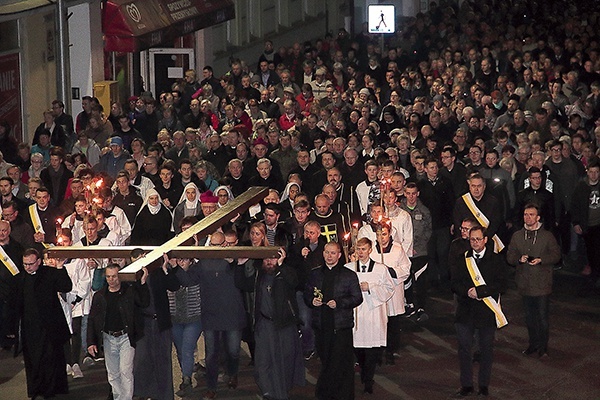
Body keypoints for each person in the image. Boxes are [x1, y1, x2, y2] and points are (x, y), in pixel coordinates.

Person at [236, 248, 305, 399]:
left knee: (283, 362)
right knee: (263, 361)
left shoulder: (285, 272)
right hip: (264, 324)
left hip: (284, 325)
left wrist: (281, 265)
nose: (269, 261)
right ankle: (267, 391)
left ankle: (282, 392)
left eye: (273, 258)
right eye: (266, 259)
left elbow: (294, 281)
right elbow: (242, 285)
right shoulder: (259, 275)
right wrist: (240, 265)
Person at [451, 226, 507, 397]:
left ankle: (484, 385)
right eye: (472, 239)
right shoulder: (462, 259)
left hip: (486, 312)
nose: (474, 242)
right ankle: (466, 385)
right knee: (464, 349)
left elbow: (502, 285)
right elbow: (454, 282)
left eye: (477, 239)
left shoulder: (496, 260)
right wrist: (467, 291)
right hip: (465, 311)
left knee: (486, 350)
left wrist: (481, 292)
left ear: (485, 240)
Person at [305, 242, 363, 400]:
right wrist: (312, 301)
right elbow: (307, 294)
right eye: (327, 252)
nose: (329, 256)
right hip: (321, 325)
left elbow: (357, 298)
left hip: (341, 326)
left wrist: (339, 303)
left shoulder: (348, 275)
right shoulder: (315, 274)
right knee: (326, 361)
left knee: (340, 363)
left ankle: (338, 394)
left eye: (333, 253)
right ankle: (327, 393)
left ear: (339, 255)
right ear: (323, 253)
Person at [14, 248, 73, 399]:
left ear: (39, 262)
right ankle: (35, 390)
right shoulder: (20, 279)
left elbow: (66, 286)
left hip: (49, 328)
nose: (28, 267)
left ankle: (51, 390)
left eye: (31, 264)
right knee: (33, 361)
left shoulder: (49, 273)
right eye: (25, 264)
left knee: (50, 360)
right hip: (30, 328)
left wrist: (60, 268)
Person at [87, 263, 149, 400]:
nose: (111, 280)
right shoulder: (100, 295)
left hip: (126, 337)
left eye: (114, 276)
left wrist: (143, 283)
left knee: (125, 371)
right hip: (108, 338)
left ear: (120, 276)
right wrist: (91, 342)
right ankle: (119, 397)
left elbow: (144, 303)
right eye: (108, 277)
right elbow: (92, 319)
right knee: (113, 374)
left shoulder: (129, 291)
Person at [198, 231, 247, 399]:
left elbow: (244, 283)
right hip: (211, 315)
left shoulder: (234, 263)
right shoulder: (203, 263)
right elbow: (188, 279)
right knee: (211, 354)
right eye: (214, 245)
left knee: (233, 351)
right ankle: (211, 387)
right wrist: (177, 267)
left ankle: (232, 373)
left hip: (232, 314)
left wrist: (236, 264)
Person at [506, 204, 560, 357]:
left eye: (531, 214)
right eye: (525, 214)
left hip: (542, 284)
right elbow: (509, 257)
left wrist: (541, 260)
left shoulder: (547, 236)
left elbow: (556, 255)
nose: (528, 217)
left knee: (542, 318)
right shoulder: (517, 236)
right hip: (525, 284)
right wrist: (519, 259)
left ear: (538, 217)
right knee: (529, 318)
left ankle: (543, 347)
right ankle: (533, 344)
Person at [346, 237, 395, 394]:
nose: (360, 252)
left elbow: (389, 288)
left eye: (363, 249)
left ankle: (368, 380)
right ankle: (364, 372)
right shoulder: (348, 268)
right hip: (357, 314)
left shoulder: (380, 269)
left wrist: (371, 288)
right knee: (358, 349)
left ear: (370, 250)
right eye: (358, 249)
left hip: (373, 313)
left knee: (372, 350)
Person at [133, 252, 180, 400]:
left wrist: (166, 269)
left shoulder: (159, 271)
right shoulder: (132, 277)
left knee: (163, 360)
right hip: (144, 324)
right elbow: (139, 301)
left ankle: (164, 396)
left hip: (161, 322)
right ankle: (143, 394)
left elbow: (174, 286)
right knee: (142, 361)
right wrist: (141, 282)